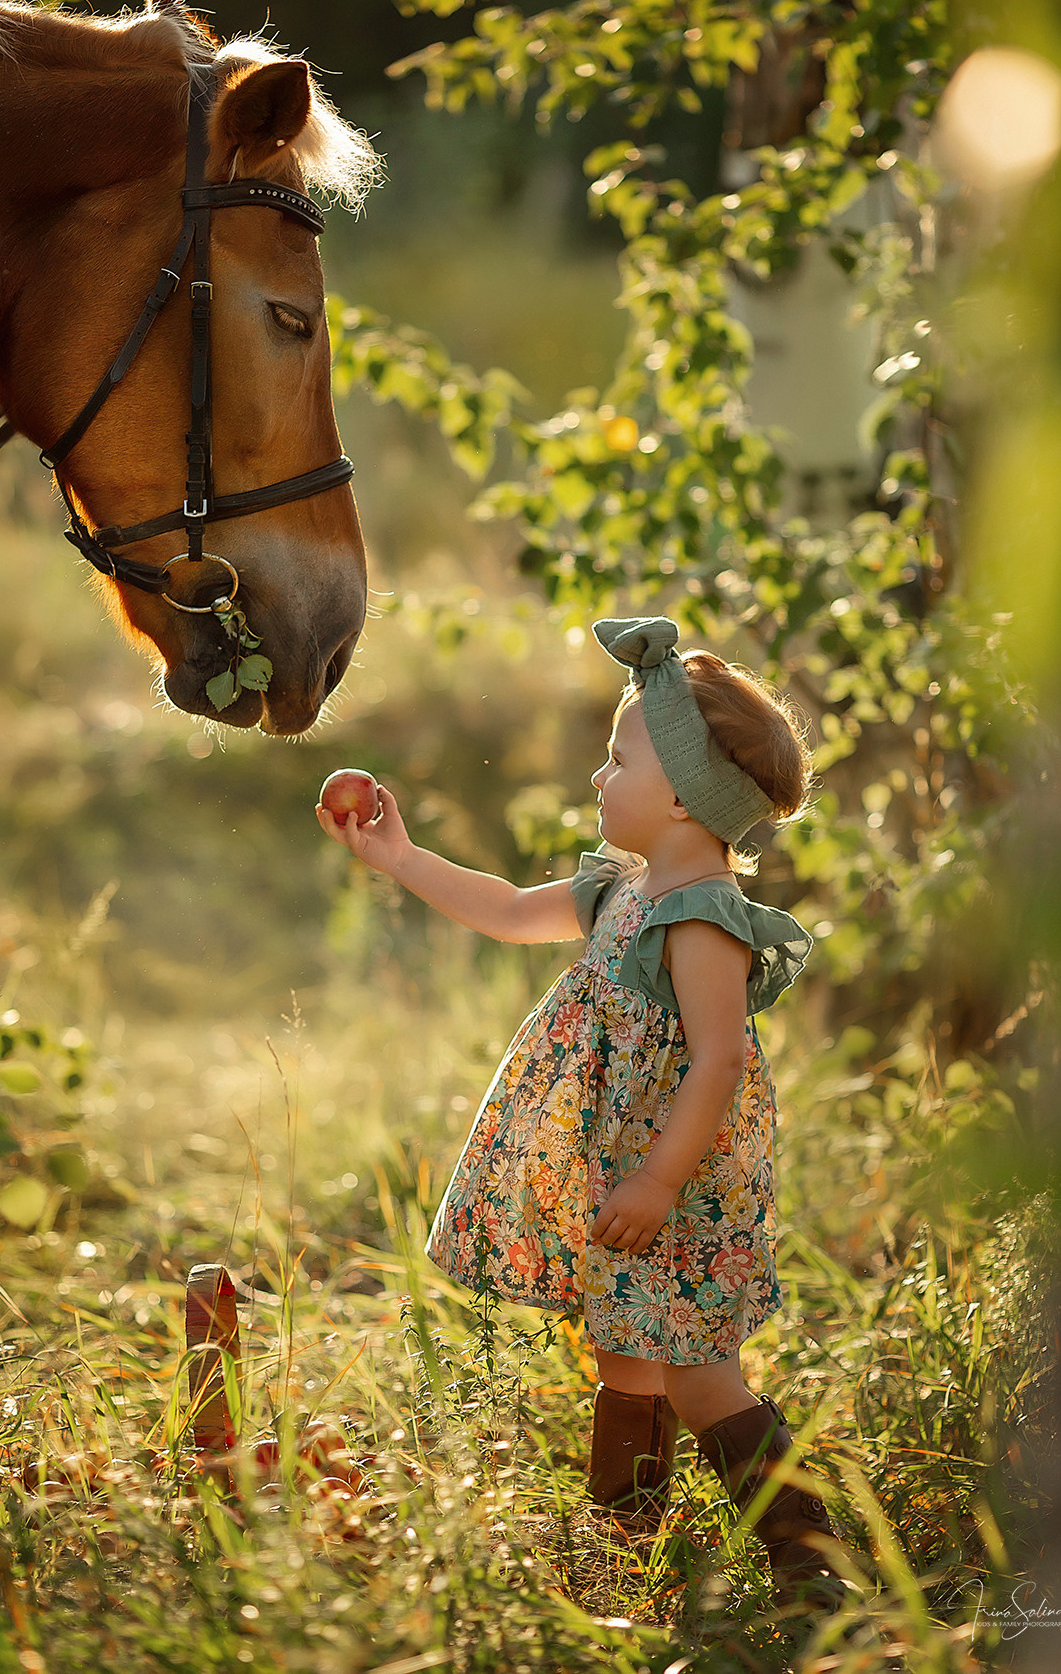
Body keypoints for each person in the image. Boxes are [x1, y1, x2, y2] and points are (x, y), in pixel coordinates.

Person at [316, 616, 845, 1600]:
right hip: (623, 1169)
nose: (599, 778)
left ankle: (805, 1554)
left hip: (674, 1181)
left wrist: (656, 1177)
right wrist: (400, 859)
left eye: (618, 761)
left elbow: (719, 1060)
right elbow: (513, 909)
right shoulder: (624, 887)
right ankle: (631, 1545)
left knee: (690, 1367)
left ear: (684, 799)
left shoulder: (702, 918)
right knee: (625, 1351)